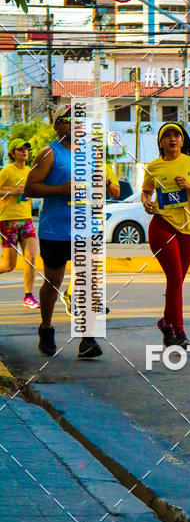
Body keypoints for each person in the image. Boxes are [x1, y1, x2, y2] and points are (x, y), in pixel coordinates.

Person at [24, 104, 103, 359]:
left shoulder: (92, 153)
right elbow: (30, 188)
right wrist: (61, 190)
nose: (75, 124)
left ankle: (87, 338)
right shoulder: (49, 154)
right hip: (55, 231)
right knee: (54, 282)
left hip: (86, 229)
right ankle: (46, 328)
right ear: (58, 125)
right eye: (68, 120)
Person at [141, 122, 190, 347]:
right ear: (161, 142)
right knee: (174, 278)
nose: (173, 139)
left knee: (178, 281)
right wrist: (146, 203)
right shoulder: (153, 167)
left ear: (182, 140)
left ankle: (166, 323)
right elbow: (146, 192)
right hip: (162, 226)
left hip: (189, 229)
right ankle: (179, 331)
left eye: (177, 135)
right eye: (167, 136)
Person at [60, 162, 120, 316]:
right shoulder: (72, 164)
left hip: (95, 221)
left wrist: (107, 183)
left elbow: (116, 194)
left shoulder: (105, 168)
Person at [0, 137, 39, 309]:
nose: (25, 151)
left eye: (26, 148)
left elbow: (33, 193)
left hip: (26, 219)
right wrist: (12, 191)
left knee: (31, 257)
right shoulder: (7, 171)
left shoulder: (30, 171)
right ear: (12, 153)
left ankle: (28, 296)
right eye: (20, 149)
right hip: (8, 221)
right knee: (9, 266)